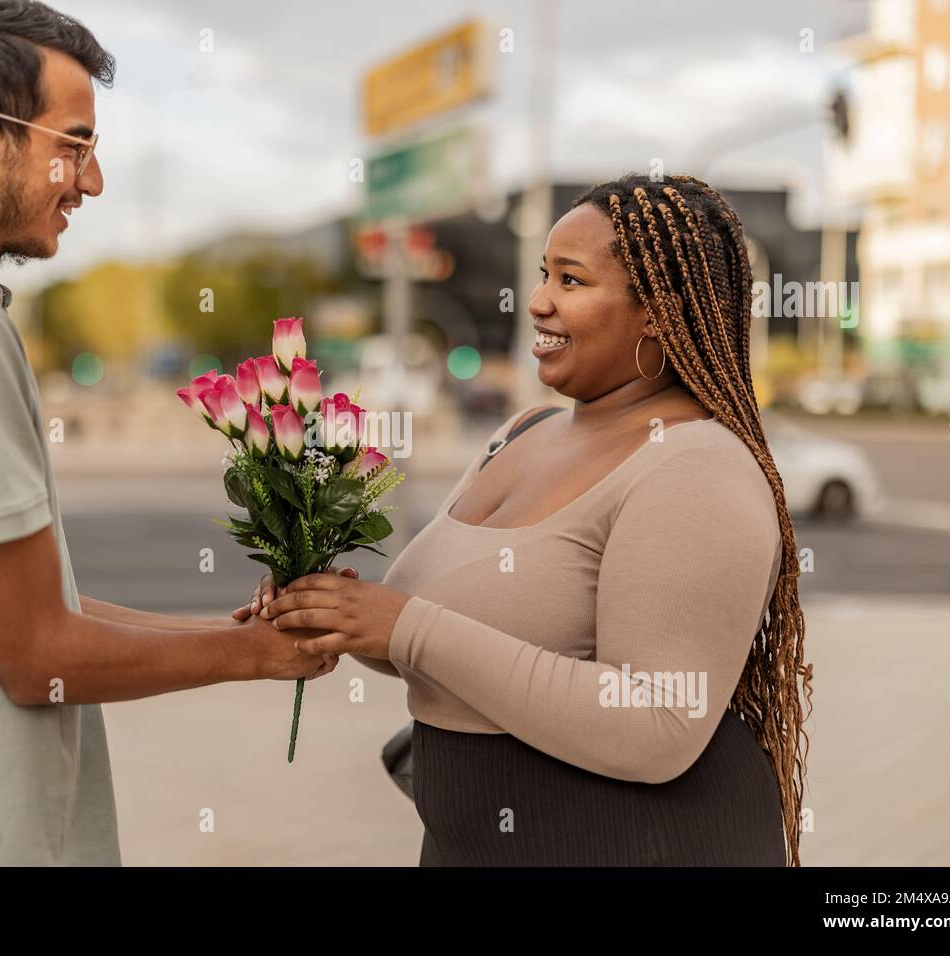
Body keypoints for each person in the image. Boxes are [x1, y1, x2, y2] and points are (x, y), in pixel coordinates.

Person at [0, 0, 329, 866]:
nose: (92, 180)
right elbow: (38, 654)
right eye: (71, 145)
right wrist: (251, 659)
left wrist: (235, 637)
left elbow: (25, 613)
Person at [244, 174, 814, 866]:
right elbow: (429, 640)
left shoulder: (693, 464)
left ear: (659, 312)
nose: (538, 301)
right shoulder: (522, 432)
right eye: (544, 274)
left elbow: (660, 724)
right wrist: (336, 611)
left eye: (571, 281)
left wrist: (402, 624)